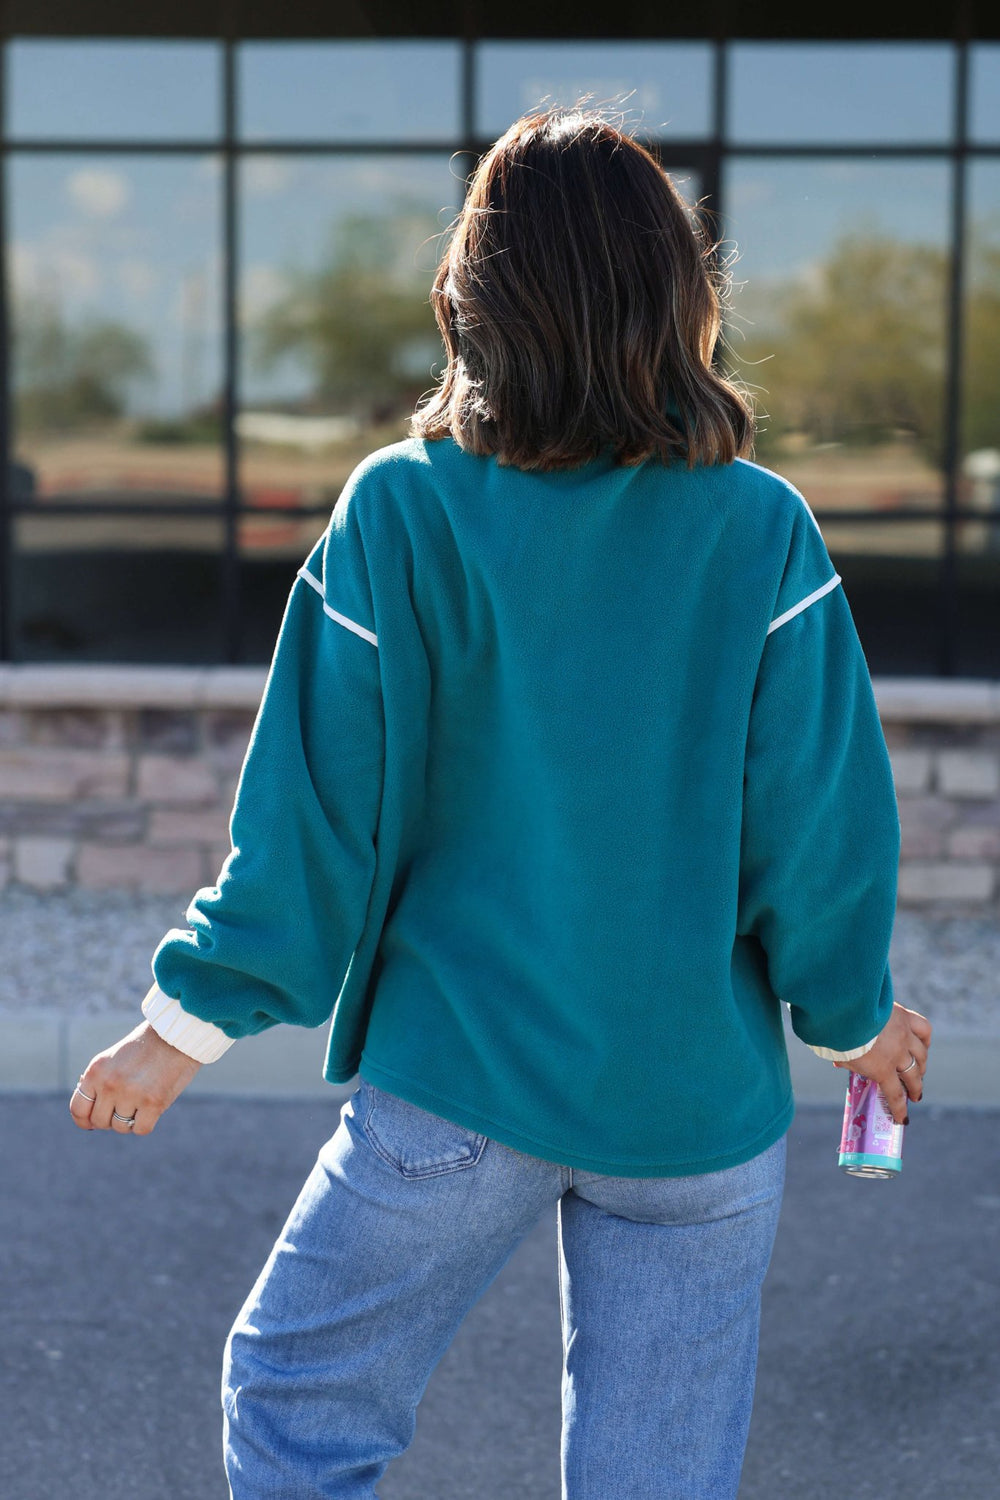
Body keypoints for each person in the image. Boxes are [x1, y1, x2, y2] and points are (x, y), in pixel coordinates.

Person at [70, 106, 932, 1499]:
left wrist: (183, 1028)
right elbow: (821, 844)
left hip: (460, 1089)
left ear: (470, 302)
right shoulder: (763, 531)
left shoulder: (397, 513)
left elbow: (308, 828)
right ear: (683, 300)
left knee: (297, 1394)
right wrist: (856, 1022)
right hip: (695, 1117)